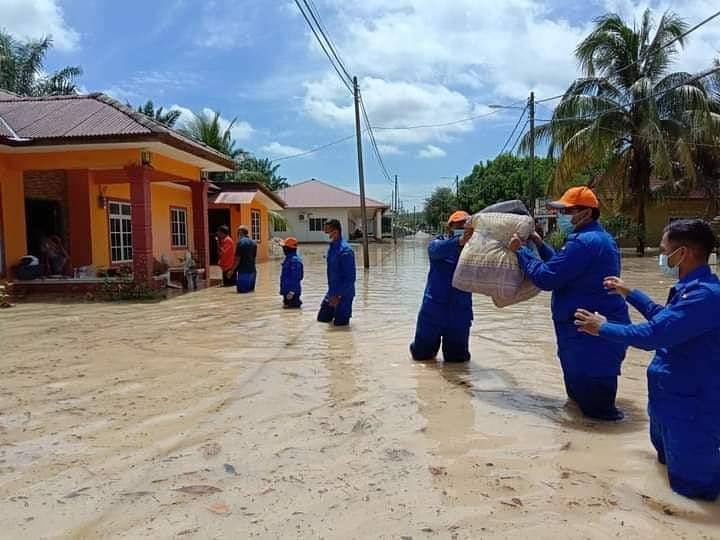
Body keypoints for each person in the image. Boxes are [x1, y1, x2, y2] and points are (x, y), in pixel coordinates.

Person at [575, 219, 720, 500]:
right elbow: (665, 319)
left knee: (695, 492)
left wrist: (603, 327)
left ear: (685, 252)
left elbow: (654, 335)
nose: (661, 257)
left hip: (692, 411)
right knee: (667, 477)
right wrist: (630, 293)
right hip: (669, 402)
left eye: (664, 251)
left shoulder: (704, 296)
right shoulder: (689, 289)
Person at [508, 186, 630, 420]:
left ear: (585, 213)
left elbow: (547, 278)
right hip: (581, 336)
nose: (561, 216)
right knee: (578, 407)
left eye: (566, 211)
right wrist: (540, 246)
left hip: (590, 339)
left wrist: (521, 252)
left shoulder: (584, 243)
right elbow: (562, 268)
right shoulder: (595, 239)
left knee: (599, 417)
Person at [410, 211, 474, 363]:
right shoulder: (438, 243)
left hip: (460, 312)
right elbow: (434, 251)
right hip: (433, 311)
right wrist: (459, 241)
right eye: (458, 224)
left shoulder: (475, 250)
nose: (462, 227)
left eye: (466, 225)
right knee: (421, 356)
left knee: (457, 361)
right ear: (450, 227)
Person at [317, 219, 356, 326]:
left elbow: (350, 277)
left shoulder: (346, 251)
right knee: (322, 319)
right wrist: (332, 294)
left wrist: (338, 296)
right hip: (331, 292)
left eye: (327, 230)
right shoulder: (332, 247)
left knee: (340, 326)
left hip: (344, 294)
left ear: (335, 231)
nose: (325, 232)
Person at [228, 225, 257, 293]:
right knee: (251, 292)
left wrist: (231, 271)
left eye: (237, 233)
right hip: (253, 272)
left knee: (242, 293)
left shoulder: (240, 243)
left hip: (244, 272)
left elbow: (237, 259)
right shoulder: (254, 243)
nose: (237, 235)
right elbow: (254, 258)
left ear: (240, 232)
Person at [280, 237, 304, 309]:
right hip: (287, 292)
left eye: (284, 248)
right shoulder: (289, 259)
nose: (283, 249)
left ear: (287, 249)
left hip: (292, 294)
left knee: (292, 312)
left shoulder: (295, 261)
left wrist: (292, 292)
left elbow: (297, 277)